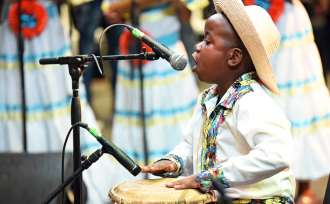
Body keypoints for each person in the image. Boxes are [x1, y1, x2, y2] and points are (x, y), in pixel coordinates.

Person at [141, 0, 296, 202]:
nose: (197, 46)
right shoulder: (207, 98)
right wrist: (174, 162)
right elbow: (192, 144)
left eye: (207, 41)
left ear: (233, 57)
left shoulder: (253, 101)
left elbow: (277, 155)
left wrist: (211, 178)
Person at [0, 0, 120, 203]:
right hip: (11, 25)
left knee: (53, 90)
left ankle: (62, 180)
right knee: (12, 93)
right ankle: (16, 180)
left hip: (47, 25)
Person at [241, 0, 330, 203]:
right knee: (258, 96)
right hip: (251, 18)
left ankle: (304, 186)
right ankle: (268, 185)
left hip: (288, 21)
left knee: (299, 98)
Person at [102, 0, 207, 178]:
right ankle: (138, 172)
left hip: (168, 55)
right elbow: (112, 15)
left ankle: (175, 168)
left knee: (172, 118)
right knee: (135, 117)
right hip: (134, 56)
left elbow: (185, 15)